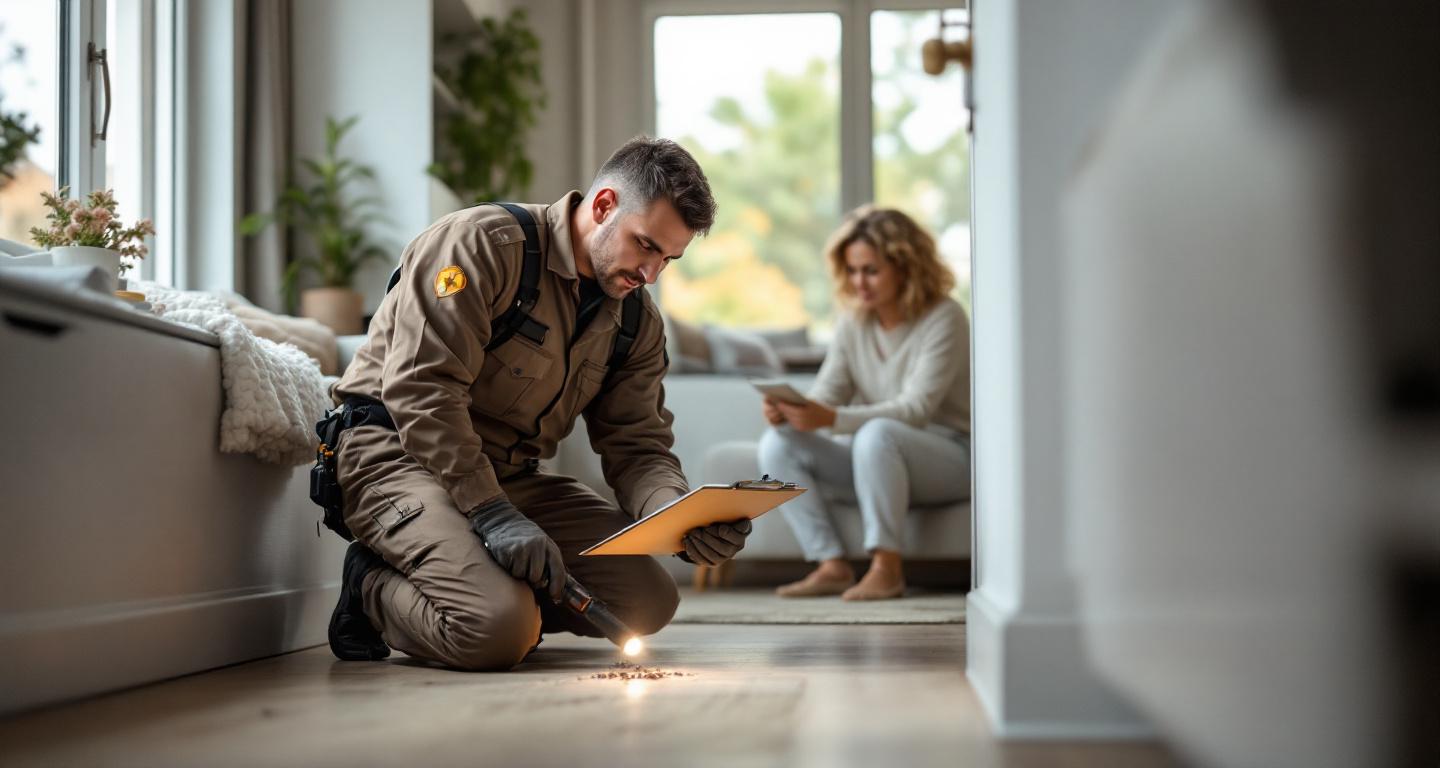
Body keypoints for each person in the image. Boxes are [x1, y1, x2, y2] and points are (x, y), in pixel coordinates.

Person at [323, 136, 752, 670]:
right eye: (645, 245)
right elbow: (421, 392)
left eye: (668, 258)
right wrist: (492, 513)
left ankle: (485, 585)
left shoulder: (637, 322)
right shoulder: (478, 245)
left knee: (647, 603)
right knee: (497, 631)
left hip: (507, 477)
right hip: (395, 455)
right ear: (603, 206)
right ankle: (371, 587)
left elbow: (638, 446)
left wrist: (679, 519)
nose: (651, 275)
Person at [758, 207, 970, 600]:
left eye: (871, 270)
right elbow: (827, 394)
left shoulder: (945, 317)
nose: (859, 282)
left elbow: (916, 410)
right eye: (853, 271)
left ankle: (887, 568)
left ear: (905, 266)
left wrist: (832, 417)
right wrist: (792, 412)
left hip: (951, 457)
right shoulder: (853, 322)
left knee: (877, 434)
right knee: (778, 442)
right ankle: (831, 564)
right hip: (878, 457)